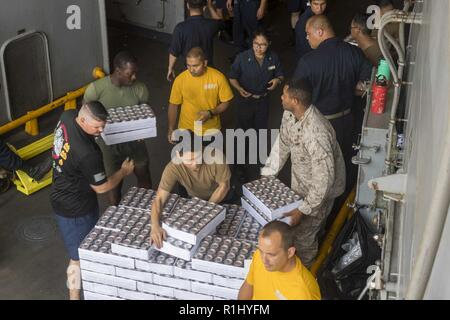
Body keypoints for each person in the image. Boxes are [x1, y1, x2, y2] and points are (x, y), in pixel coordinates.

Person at [50, 102, 135, 300]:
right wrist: (123, 172)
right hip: (76, 210)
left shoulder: (67, 116)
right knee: (77, 259)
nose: (101, 130)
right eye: (96, 127)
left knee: (82, 252)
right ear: (82, 120)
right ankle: (74, 297)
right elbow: (101, 187)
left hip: (61, 191)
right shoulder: (88, 153)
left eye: (103, 125)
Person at [261, 80, 345, 268]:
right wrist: (267, 174)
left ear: (296, 101)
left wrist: (304, 210)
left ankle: (306, 275)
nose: (281, 97)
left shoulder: (316, 132)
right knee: (295, 233)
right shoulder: (290, 114)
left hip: (319, 194)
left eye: (285, 95)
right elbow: (282, 144)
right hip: (300, 182)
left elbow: (325, 180)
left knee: (304, 239)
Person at [293, 15, 371, 192]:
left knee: (318, 171)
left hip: (319, 125)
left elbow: (296, 98)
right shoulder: (354, 52)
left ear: (319, 31)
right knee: (343, 166)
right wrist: (350, 87)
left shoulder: (308, 62)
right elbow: (367, 85)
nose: (306, 37)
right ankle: (341, 206)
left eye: (308, 33)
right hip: (348, 121)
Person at [83, 51, 152, 206]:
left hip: (134, 141)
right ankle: (115, 212)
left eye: (136, 73)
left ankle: (147, 208)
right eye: (130, 74)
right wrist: (94, 139)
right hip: (108, 144)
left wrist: (143, 130)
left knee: (143, 172)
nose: (134, 77)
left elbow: (144, 111)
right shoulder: (96, 89)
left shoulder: (140, 89)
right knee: (114, 183)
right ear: (118, 71)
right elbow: (86, 116)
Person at [150, 131, 231, 248]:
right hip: (195, 200)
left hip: (222, 198)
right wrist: (155, 226)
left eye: (197, 157)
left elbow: (224, 186)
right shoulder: (173, 167)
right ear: (178, 155)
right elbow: (159, 199)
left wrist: (205, 210)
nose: (195, 164)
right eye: (189, 160)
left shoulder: (215, 157)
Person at [238, 220, 321, 300]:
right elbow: (249, 284)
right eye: (261, 251)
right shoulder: (259, 256)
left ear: (290, 252)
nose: (264, 260)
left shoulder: (300, 292)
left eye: (271, 254)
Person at [168, 47, 234, 142]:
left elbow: (226, 102)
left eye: (195, 65)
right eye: (188, 65)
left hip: (210, 129)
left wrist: (210, 113)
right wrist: (171, 128)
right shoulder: (180, 79)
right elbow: (173, 105)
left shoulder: (218, 77)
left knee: (209, 155)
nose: (191, 69)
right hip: (187, 128)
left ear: (205, 63)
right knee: (186, 156)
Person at [229, 30, 284, 131]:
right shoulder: (242, 58)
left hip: (263, 100)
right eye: (256, 43)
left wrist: (278, 80)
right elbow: (232, 77)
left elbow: (280, 75)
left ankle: (258, 147)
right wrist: (239, 88)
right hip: (246, 100)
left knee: (261, 129)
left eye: (263, 44)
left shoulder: (273, 58)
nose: (258, 47)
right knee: (242, 129)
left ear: (269, 44)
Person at [167, 0, 223, 82]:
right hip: (208, 69)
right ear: (204, 8)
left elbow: (174, 52)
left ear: (188, 6)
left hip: (189, 70)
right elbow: (220, 22)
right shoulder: (211, 25)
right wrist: (210, 6)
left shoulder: (180, 28)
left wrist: (170, 68)